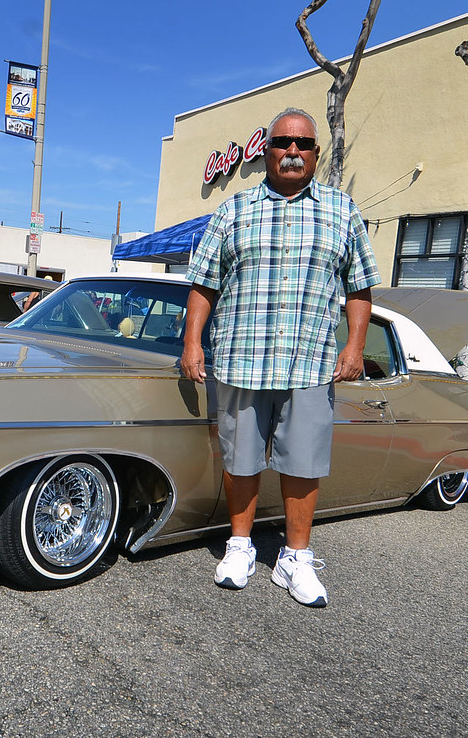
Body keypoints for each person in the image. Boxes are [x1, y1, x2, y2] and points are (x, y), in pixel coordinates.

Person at [181, 107, 381, 607]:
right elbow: (204, 283)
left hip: (309, 361)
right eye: (283, 142)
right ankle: (240, 547)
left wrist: (355, 345)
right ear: (266, 151)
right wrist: (191, 342)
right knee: (240, 458)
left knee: (303, 463)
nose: (293, 151)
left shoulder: (342, 211)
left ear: (316, 152)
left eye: (303, 144)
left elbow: (359, 286)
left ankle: (295, 559)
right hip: (241, 357)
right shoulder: (234, 210)